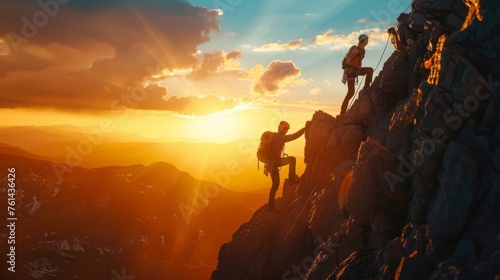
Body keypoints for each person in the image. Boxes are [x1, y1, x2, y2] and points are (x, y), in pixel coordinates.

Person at [266, 120, 310, 213]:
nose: (287, 131)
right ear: (282, 129)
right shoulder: (280, 137)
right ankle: (291, 180)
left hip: (272, 163)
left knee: (275, 184)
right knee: (292, 160)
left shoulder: (276, 136)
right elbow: (293, 136)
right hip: (274, 163)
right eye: (286, 129)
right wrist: (304, 129)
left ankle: (270, 205)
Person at [340, 34, 374, 115]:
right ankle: (343, 111)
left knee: (370, 70)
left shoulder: (363, 51)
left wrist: (359, 67)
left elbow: (360, 61)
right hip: (350, 72)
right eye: (367, 39)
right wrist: (358, 67)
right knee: (351, 92)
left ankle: (366, 87)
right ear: (364, 40)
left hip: (356, 70)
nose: (368, 40)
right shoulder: (356, 50)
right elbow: (348, 61)